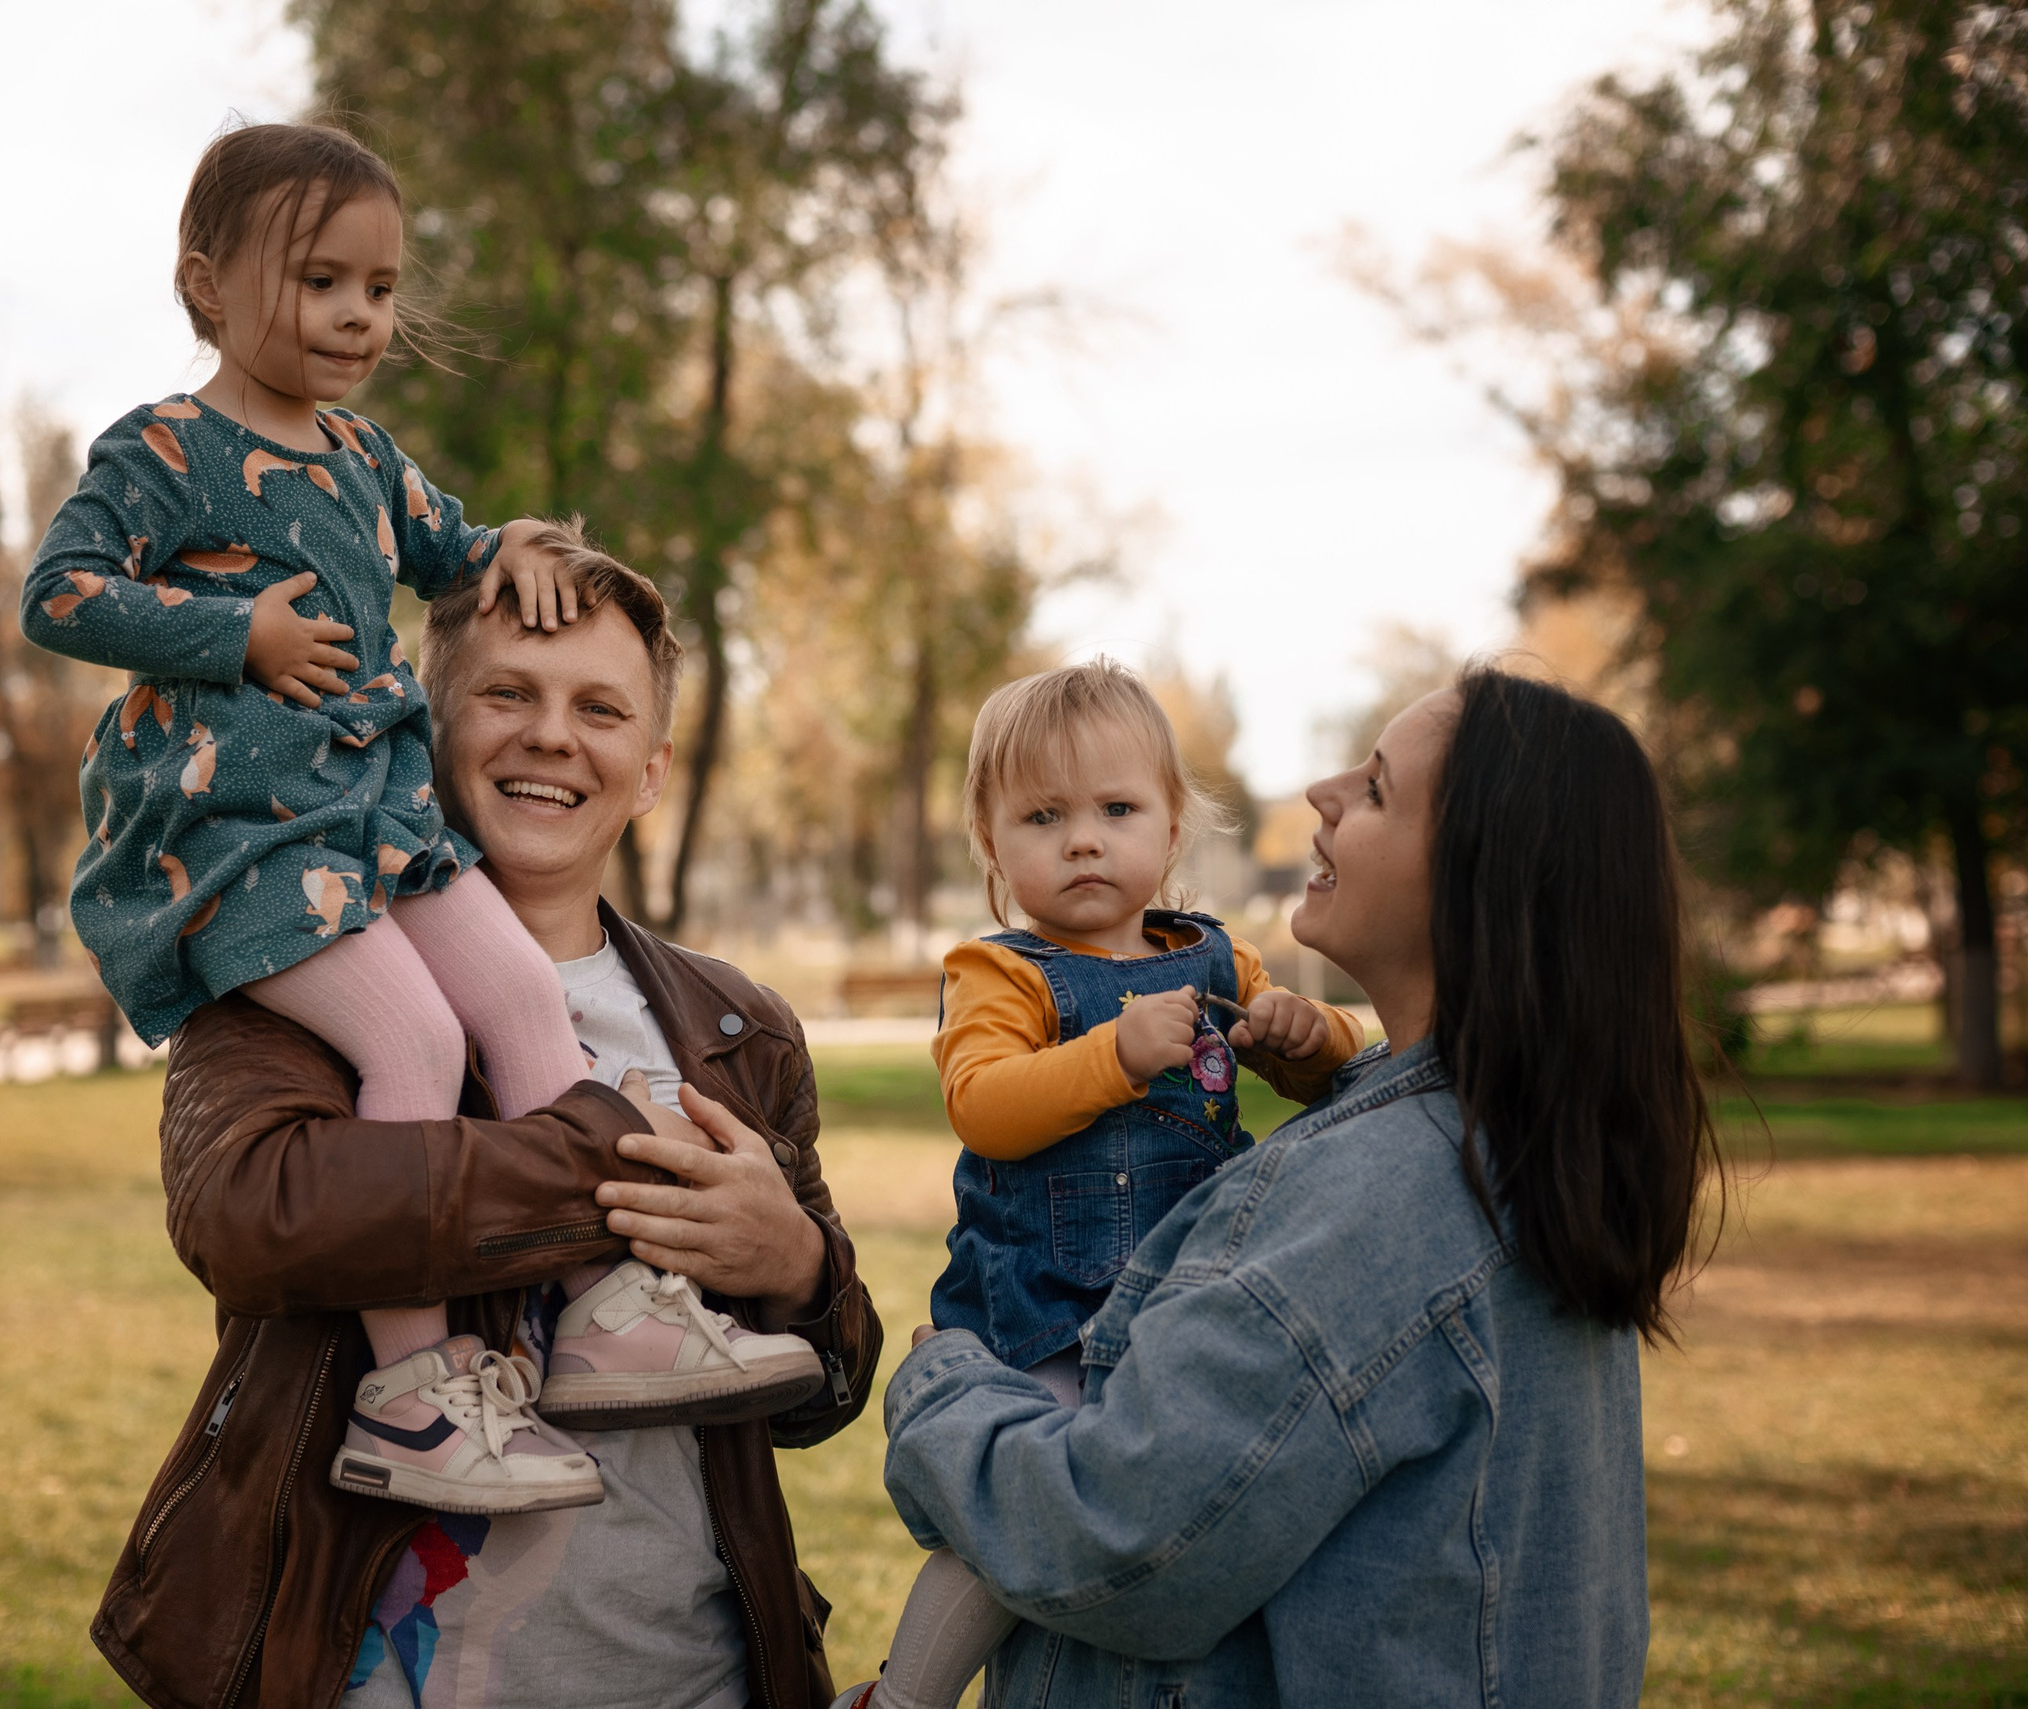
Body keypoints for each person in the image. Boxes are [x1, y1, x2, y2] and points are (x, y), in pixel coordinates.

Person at [20, 121, 817, 1518]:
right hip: (245, 839)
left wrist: (534, 549)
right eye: (322, 281)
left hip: (369, 824)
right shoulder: (160, 449)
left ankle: (603, 1316)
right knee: (417, 1036)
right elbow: (62, 594)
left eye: (380, 291)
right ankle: (417, 1391)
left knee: (519, 994)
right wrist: (233, 633)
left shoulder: (364, 457)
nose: (358, 317)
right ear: (206, 286)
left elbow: (466, 549)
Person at [88, 541, 882, 1709]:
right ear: (415, 726)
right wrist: (596, 1163)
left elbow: (824, 1392)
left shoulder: (738, 1026)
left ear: (651, 770)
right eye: (507, 693)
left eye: (599, 708)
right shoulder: (292, 962)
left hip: (693, 1674)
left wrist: (795, 1264)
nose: (552, 736)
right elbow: (254, 1213)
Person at [879, 666, 1721, 1706]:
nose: (1321, 790)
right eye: (1044, 814)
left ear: (1475, 871)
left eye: (1373, 788)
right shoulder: (1507, 1138)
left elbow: (1115, 1533)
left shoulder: (1380, 1196)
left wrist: (940, 1387)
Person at [833, 661, 1362, 1709]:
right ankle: (900, 1697)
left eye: (1116, 808)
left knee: (1187, 1503)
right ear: (990, 840)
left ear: (1170, 830)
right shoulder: (1004, 973)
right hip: (1044, 1311)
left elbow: (1334, 1068)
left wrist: (1310, 1034)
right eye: (1043, 814)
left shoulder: (1218, 958)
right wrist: (1111, 1055)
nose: (1083, 838)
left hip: (1187, 1308)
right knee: (1025, 1512)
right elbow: (983, 1103)